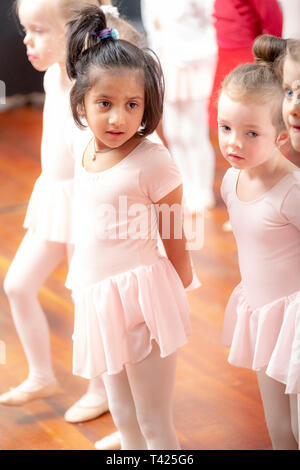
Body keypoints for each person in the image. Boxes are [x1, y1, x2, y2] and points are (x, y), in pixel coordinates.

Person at [0, 0, 142, 429]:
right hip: (54, 199)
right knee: (18, 284)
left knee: (90, 303)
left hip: (87, 207)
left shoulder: (92, 85)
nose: (27, 40)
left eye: (39, 30)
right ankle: (42, 374)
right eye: (26, 29)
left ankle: (106, 393)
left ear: (74, 31)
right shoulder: (50, 76)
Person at [65, 5, 193, 450]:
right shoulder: (86, 152)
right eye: (105, 103)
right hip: (101, 298)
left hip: (144, 301)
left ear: (147, 104)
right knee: (122, 413)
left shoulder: (153, 160)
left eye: (131, 105)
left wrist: (175, 295)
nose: (118, 118)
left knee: (154, 420)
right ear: (81, 102)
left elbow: (175, 235)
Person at [218, 36, 300, 449]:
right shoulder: (231, 181)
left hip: (298, 320)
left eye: (252, 133)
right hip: (266, 316)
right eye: (226, 128)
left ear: (281, 136)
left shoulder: (291, 190)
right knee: (278, 426)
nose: (235, 142)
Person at [141, 0, 217, 212]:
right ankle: (185, 184)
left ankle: (202, 190)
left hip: (193, 64)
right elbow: (152, 25)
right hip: (166, 64)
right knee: (174, 132)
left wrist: (198, 52)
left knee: (193, 133)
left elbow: (212, 19)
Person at [209, 0, 283, 136]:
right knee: (220, 112)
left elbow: (273, 19)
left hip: (244, 52)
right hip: (222, 51)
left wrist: (272, 55)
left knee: (247, 113)